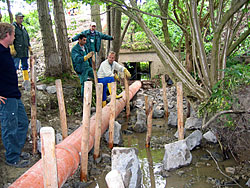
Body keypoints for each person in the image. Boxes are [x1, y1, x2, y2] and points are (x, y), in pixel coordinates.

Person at [0, 22, 30, 168]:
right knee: (9, 127)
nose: (15, 36)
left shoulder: (5, 50)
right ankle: (12, 158)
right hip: (6, 97)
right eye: (13, 34)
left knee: (23, 123)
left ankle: (15, 151)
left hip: (14, 95)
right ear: (7, 35)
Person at [10, 12, 33, 90]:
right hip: (16, 51)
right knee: (15, 66)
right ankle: (13, 83)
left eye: (22, 18)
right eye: (20, 18)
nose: (21, 19)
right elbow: (10, 37)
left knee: (25, 66)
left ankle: (26, 81)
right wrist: (11, 47)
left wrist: (29, 47)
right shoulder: (13, 27)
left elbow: (27, 38)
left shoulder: (23, 28)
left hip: (24, 51)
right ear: (16, 18)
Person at [71, 34, 94, 98]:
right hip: (81, 68)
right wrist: (84, 58)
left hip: (88, 67)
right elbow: (76, 59)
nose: (85, 42)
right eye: (83, 40)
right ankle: (84, 100)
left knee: (97, 76)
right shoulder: (75, 49)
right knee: (84, 83)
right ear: (79, 40)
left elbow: (88, 58)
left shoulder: (85, 47)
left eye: (85, 40)